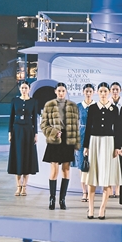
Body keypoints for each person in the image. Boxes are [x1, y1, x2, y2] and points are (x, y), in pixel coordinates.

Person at [83, 82, 122, 220]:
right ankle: (90, 209)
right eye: (101, 91)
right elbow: (88, 127)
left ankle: (102, 209)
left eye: (106, 91)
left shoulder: (114, 109)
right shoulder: (92, 108)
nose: (103, 94)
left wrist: (117, 147)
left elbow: (118, 129)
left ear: (109, 92)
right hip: (94, 142)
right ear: (97, 93)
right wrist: (86, 146)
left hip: (109, 143)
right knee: (92, 177)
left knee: (107, 178)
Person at [40, 82, 80, 211]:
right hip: (55, 140)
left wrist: (76, 143)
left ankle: (62, 199)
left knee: (66, 170)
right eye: (59, 91)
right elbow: (43, 125)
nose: (61, 93)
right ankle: (52, 198)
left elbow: (76, 127)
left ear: (66, 91)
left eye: (63, 91)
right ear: (55, 91)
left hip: (68, 140)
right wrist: (53, 132)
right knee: (54, 170)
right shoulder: (49, 105)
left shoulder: (73, 106)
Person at [7, 81, 39, 196]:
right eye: (22, 88)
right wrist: (10, 132)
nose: (24, 90)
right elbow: (11, 117)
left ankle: (24, 186)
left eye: (26, 88)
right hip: (17, 130)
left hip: (28, 131)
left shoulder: (33, 102)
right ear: (19, 89)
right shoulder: (15, 101)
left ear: (29, 89)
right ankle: (18, 186)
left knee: (27, 156)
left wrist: (35, 134)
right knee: (18, 156)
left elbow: (34, 119)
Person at [75, 83, 95, 202]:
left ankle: (91, 190)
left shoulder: (96, 106)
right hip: (81, 136)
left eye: (90, 91)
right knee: (82, 164)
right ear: (83, 92)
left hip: (94, 136)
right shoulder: (78, 106)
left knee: (92, 164)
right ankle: (84, 191)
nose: (88, 93)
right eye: (86, 91)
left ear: (93, 93)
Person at [108, 81, 122, 198]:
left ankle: (118, 190)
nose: (114, 91)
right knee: (109, 163)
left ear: (120, 91)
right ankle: (109, 189)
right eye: (113, 89)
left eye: (117, 89)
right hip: (108, 136)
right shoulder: (106, 103)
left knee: (120, 164)